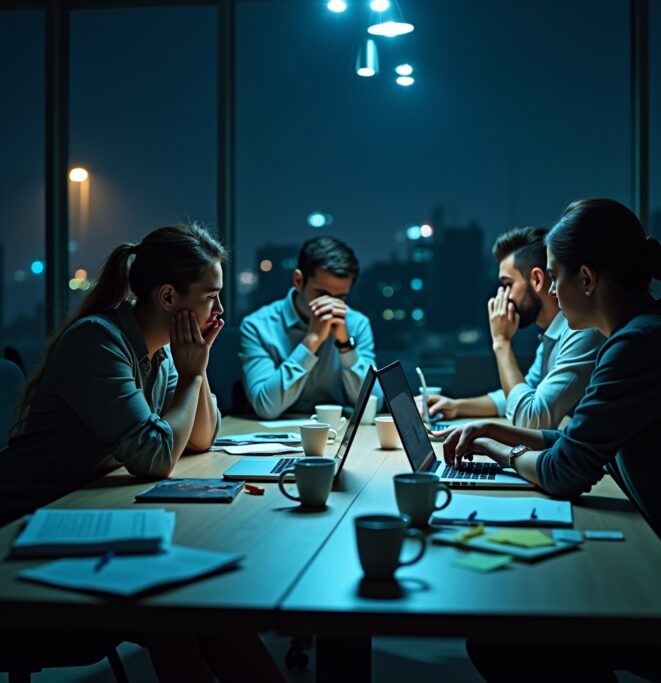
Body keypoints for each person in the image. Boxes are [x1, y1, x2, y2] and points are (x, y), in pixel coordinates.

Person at [443, 199, 661, 682]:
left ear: (588, 280)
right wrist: (494, 428)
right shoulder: (660, 323)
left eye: (555, 276)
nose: (550, 289)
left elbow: (563, 471)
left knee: (503, 639)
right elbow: (583, 438)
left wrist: (499, 451)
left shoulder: (639, 343)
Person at [0, 223, 284, 683]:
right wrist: (191, 378)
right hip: (24, 528)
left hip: (82, 513)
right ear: (169, 297)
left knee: (197, 606)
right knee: (178, 611)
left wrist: (199, 366)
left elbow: (198, 439)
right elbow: (154, 456)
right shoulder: (98, 341)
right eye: (211, 296)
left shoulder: (161, 351)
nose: (219, 309)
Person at [421, 227, 603, 429]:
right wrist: (455, 406)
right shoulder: (552, 335)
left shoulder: (581, 332)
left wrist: (501, 342)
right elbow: (519, 394)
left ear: (537, 280)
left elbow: (530, 419)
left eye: (508, 284)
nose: (504, 296)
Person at [240, 235, 381, 418]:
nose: (331, 305)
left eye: (340, 298)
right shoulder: (257, 326)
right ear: (298, 281)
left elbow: (373, 405)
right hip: (277, 438)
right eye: (322, 294)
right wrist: (310, 343)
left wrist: (345, 345)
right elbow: (266, 407)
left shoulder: (357, 324)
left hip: (336, 434)